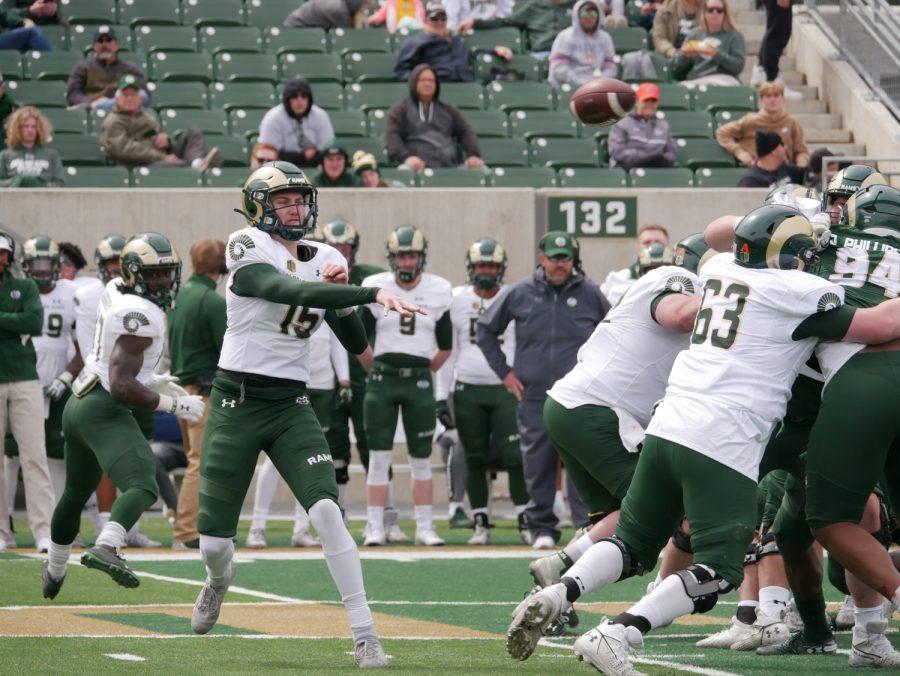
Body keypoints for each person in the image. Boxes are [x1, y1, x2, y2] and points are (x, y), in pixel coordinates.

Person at [505, 205, 900, 671]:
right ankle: (620, 632)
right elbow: (883, 326)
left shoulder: (716, 270)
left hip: (668, 422)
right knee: (720, 570)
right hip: (724, 437)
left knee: (632, 542)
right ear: (792, 254)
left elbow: (721, 233)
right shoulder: (802, 290)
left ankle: (557, 593)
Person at [192, 162, 417, 668]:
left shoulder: (327, 257)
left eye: (299, 199)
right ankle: (218, 580)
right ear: (257, 206)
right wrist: (368, 291)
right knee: (213, 543)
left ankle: (365, 633)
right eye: (283, 201)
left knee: (327, 512)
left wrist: (343, 302)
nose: (295, 208)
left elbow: (354, 340)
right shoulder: (245, 244)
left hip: (292, 402)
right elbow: (287, 292)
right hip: (237, 400)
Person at [526, 233, 710, 592]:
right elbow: (679, 316)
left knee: (614, 518)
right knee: (662, 506)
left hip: (573, 407)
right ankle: (659, 595)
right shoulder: (680, 281)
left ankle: (552, 590)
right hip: (597, 411)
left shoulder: (662, 283)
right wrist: (733, 294)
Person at [41, 233, 204, 599]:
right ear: (134, 274)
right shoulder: (140, 314)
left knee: (74, 492)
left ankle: (54, 569)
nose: (164, 282)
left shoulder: (115, 287)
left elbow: (120, 367)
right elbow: (121, 385)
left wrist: (152, 379)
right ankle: (107, 545)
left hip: (78, 401)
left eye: (167, 273)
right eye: (155, 275)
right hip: (103, 406)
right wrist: (172, 404)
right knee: (144, 484)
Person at [477, 231, 609, 549]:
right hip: (534, 395)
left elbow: (614, 333)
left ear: (572, 260)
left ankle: (585, 526)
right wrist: (506, 374)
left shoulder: (591, 293)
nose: (560, 264)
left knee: (582, 462)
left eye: (565, 258)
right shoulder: (520, 292)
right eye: (554, 258)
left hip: (579, 395)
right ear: (542, 259)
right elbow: (485, 330)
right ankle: (542, 528)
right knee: (537, 464)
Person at [358, 226, 453, 547]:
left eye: (412, 254)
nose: (407, 261)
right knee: (379, 456)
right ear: (392, 257)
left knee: (421, 457)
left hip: (419, 380)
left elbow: (446, 346)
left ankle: (425, 527)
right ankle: (374, 526)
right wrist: (377, 369)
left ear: (421, 257)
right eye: (402, 255)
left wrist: (423, 371)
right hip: (383, 379)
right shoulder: (376, 287)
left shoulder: (439, 289)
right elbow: (360, 340)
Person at [435, 238, 530, 544]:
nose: (486, 271)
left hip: (505, 389)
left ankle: (525, 520)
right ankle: (481, 522)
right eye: (480, 266)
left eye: (491, 266)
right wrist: (441, 396)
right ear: (470, 268)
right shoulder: (457, 300)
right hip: (468, 389)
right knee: (474, 457)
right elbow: (449, 352)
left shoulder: (515, 296)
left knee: (516, 456)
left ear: (500, 269)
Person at [320, 221, 408, 540]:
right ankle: (337, 518)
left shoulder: (372, 278)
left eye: (346, 248)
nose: (341, 253)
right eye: (336, 247)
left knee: (376, 448)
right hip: (328, 379)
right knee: (335, 451)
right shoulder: (313, 273)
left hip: (367, 376)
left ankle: (389, 517)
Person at [167, 239, 227, 551]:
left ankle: (187, 526)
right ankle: (186, 531)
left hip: (180, 389)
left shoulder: (180, 295)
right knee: (199, 462)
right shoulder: (212, 301)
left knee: (194, 460)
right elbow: (229, 350)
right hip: (202, 392)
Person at [13, 236, 82, 505]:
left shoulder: (71, 292)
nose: (42, 270)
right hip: (21, 379)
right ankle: (4, 522)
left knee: (58, 450)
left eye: (47, 263)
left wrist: (65, 378)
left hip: (58, 380)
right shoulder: (15, 291)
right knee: (11, 453)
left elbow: (84, 346)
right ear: (26, 265)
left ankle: (59, 518)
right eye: (36, 263)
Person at [0, 231, 55, 555]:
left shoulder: (26, 286)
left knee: (34, 456)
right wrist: (13, 322)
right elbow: (23, 322)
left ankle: (44, 531)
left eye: (4, 253)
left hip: (24, 378)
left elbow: (34, 322)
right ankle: (2, 532)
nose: (1, 259)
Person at [101, 76, 220, 171]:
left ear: (140, 99)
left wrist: (167, 143)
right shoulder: (114, 120)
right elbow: (124, 149)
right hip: (140, 164)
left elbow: (163, 145)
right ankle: (194, 168)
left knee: (193, 132)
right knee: (179, 166)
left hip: (161, 157)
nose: (130, 98)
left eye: (134, 95)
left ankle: (196, 163)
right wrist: (162, 157)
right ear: (117, 99)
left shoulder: (148, 117)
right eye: (125, 95)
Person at [385, 64, 483, 172]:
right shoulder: (400, 109)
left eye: (431, 80)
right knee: (404, 170)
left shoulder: (448, 109)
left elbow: (466, 131)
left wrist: (473, 155)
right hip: (416, 167)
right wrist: (406, 158)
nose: (427, 83)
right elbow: (392, 137)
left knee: (482, 170)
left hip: (449, 168)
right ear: (414, 83)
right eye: (422, 80)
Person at [394, 2, 512, 83]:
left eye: (443, 18)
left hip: (466, 85)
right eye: (434, 18)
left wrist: (495, 50)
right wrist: (424, 81)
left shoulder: (455, 39)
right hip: (439, 87)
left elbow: (468, 55)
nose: (439, 21)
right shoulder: (416, 42)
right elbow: (401, 72)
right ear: (425, 20)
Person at [716, 82, 809, 168]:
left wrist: (801, 165)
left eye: (776, 96)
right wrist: (739, 152)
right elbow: (722, 133)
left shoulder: (791, 123)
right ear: (761, 100)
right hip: (756, 169)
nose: (773, 100)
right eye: (768, 96)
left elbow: (801, 151)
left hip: (784, 171)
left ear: (783, 99)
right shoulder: (751, 120)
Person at [258, 77, 334, 169]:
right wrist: (303, 156)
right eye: (294, 96)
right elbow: (268, 156)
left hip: (314, 169)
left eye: (304, 96)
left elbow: (326, 152)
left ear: (309, 99)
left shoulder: (320, 116)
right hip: (279, 170)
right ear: (287, 99)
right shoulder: (273, 118)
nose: (299, 100)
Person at [65, 26, 148, 111]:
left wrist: (110, 103)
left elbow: (144, 95)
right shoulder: (83, 67)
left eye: (108, 40)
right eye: (100, 41)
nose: (104, 44)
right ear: (94, 46)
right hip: (92, 111)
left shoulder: (130, 69)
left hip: (122, 112)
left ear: (116, 45)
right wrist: (93, 102)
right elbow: (73, 94)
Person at [670, 0, 744, 88]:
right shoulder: (694, 34)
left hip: (724, 79)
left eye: (719, 10)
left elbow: (738, 66)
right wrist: (685, 56)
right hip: (696, 80)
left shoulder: (735, 36)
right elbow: (675, 69)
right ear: (704, 13)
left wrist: (716, 54)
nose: (715, 13)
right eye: (711, 10)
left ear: (725, 14)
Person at [608, 83, 678, 171]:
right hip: (629, 168)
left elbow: (672, 153)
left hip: (656, 168)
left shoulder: (664, 126)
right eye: (646, 100)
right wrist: (646, 156)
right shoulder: (623, 123)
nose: (649, 104)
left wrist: (656, 158)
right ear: (637, 101)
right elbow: (618, 152)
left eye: (653, 101)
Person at [547, 0, 616, 88]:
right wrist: (582, 83)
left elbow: (610, 67)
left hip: (598, 86)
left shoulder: (605, 38)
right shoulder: (566, 36)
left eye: (593, 14)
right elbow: (559, 69)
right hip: (570, 86)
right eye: (584, 14)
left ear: (599, 16)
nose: (588, 17)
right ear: (577, 16)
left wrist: (601, 81)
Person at [469, 0, 575, 55]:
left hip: (571, 55)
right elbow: (505, 21)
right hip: (542, 53)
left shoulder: (578, 6)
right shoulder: (534, 6)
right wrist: (475, 23)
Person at [599, 224, 670, 306]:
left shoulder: (680, 278)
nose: (652, 247)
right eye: (647, 243)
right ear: (638, 247)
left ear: (668, 247)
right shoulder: (616, 279)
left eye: (658, 243)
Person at [0, 106, 63, 187]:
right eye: (26, 126)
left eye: (34, 127)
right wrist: (17, 180)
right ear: (17, 128)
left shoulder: (52, 155)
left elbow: (60, 184)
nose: (30, 130)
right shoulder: (5, 155)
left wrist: (38, 184)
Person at [737, 130, 805, 188]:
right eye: (782, 144)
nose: (786, 148)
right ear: (773, 151)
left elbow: (809, 172)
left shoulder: (786, 169)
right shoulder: (751, 181)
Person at [284, 0, 371, 29]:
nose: (365, 8)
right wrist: (358, 16)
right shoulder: (337, 9)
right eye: (364, 4)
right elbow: (348, 34)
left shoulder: (341, 5)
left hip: (313, 26)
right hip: (296, 27)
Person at [447, 0, 512, 32]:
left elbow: (506, 14)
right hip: (465, 32)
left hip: (493, 30)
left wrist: (495, 19)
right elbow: (450, 21)